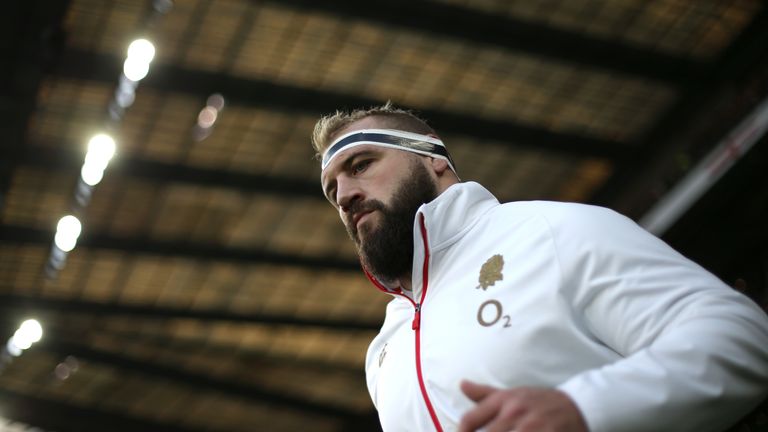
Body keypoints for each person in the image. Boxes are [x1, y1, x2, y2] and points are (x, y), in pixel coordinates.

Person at [312, 103, 768, 432]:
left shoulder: (551, 230)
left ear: (434, 160)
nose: (346, 195)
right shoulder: (381, 355)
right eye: (333, 191)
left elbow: (743, 338)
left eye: (362, 164)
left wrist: (584, 409)